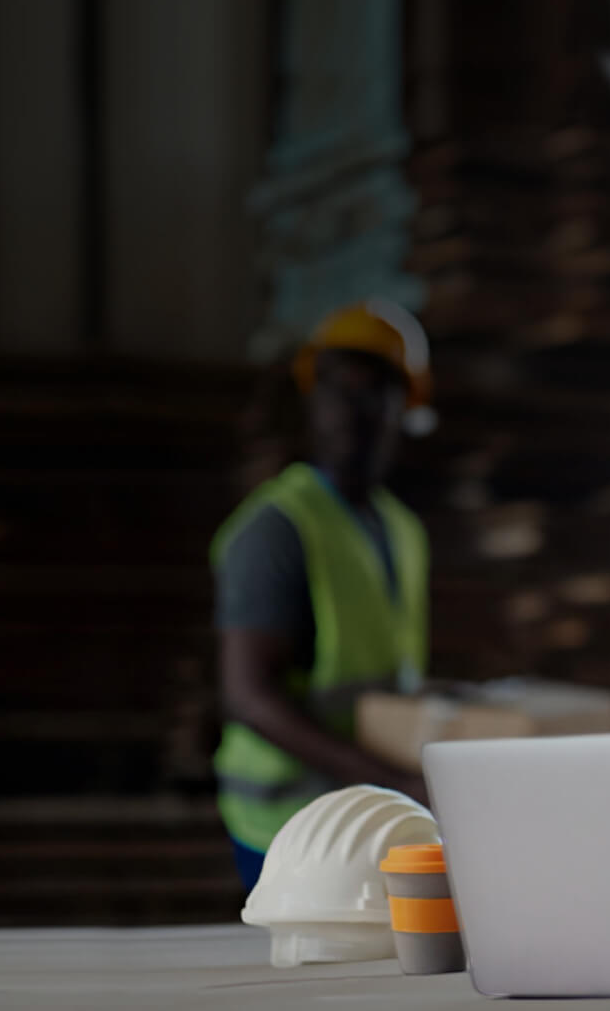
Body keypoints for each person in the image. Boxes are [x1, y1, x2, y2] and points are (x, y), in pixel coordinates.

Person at [210, 300, 436, 890]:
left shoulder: (401, 531)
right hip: (288, 830)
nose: (350, 412)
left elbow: (390, 675)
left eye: (373, 392)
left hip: (371, 819)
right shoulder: (276, 531)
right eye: (336, 389)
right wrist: (395, 781)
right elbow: (248, 696)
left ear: (404, 408)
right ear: (312, 399)